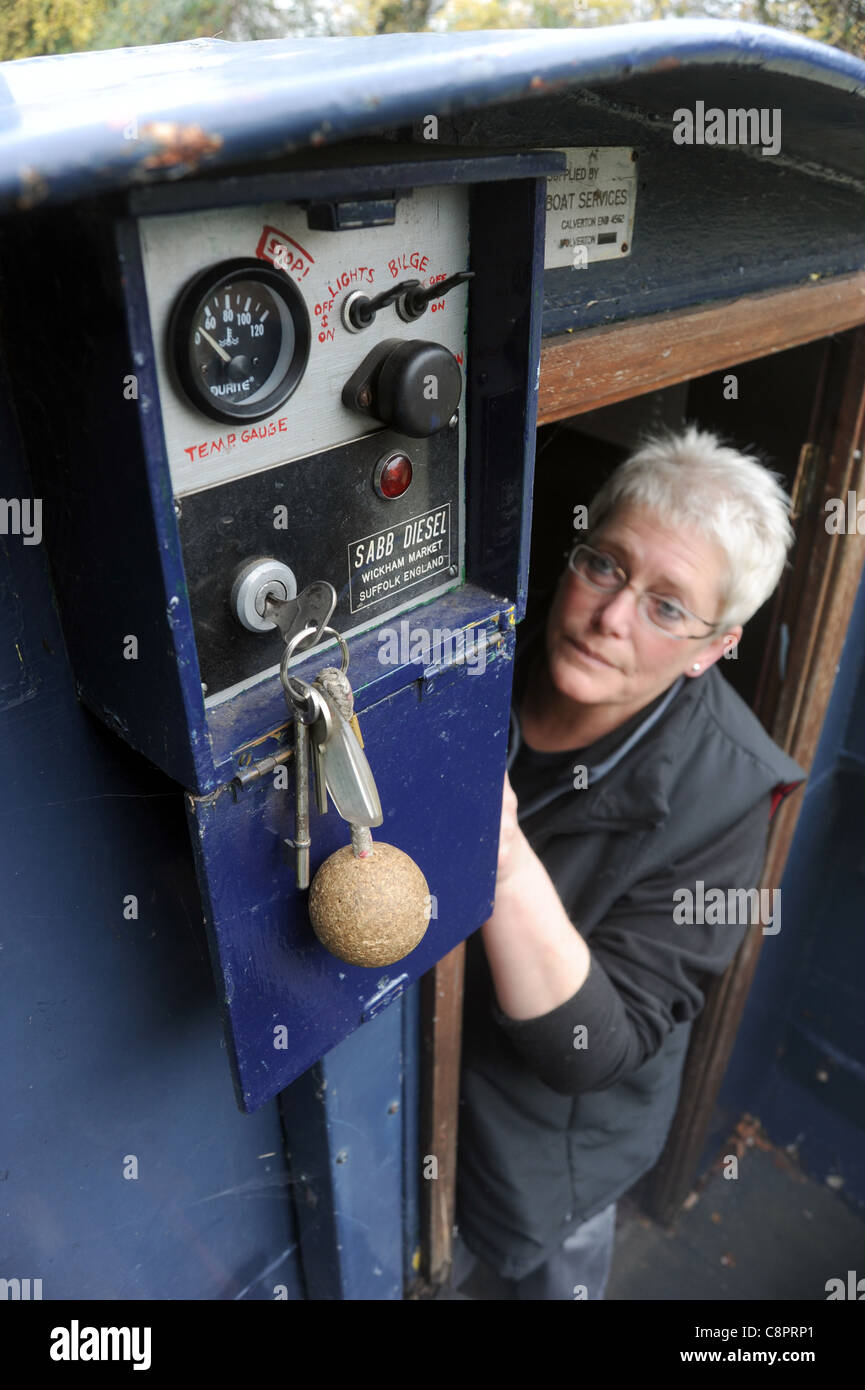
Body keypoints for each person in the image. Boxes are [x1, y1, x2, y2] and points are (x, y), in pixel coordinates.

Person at [452, 423, 807, 1301]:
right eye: (604, 565)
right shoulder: (486, 642)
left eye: (666, 606)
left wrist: (495, 853)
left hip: (552, 1148)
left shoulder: (735, 798)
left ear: (713, 647)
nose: (610, 617)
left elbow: (593, 1049)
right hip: (426, 1093)